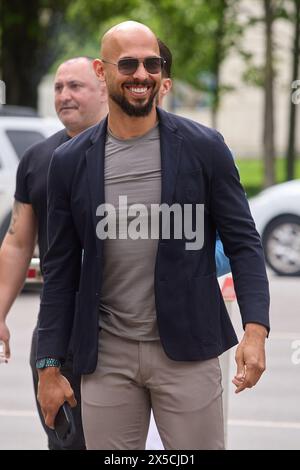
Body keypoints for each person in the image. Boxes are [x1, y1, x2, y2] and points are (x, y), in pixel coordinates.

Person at [37, 21, 269, 450]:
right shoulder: (70, 161)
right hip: (106, 356)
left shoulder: (205, 148)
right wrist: (48, 366)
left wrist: (255, 331)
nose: (141, 74)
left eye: (152, 63)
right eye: (128, 63)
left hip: (189, 350)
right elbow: (60, 272)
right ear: (102, 71)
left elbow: (244, 244)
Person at [0, 57, 108, 450]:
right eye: (59, 87)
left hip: (126, 331)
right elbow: (16, 241)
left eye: (75, 86)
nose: (64, 95)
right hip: (58, 333)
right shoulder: (37, 159)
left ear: (104, 88)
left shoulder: (132, 154)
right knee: (66, 441)